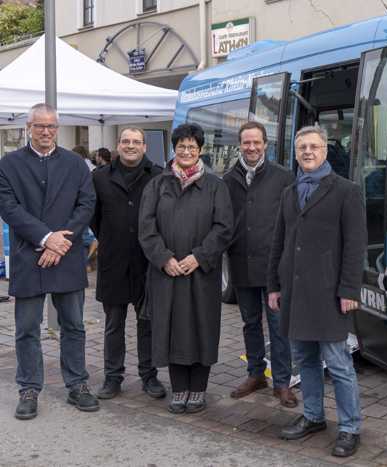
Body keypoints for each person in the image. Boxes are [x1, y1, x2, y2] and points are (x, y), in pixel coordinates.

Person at [268, 126, 367, 457]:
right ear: (295, 153)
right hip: (295, 293)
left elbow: (355, 245)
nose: (307, 152)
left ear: (325, 150)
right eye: (301, 148)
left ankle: (350, 427)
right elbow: (278, 243)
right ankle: (313, 417)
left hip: (329, 293)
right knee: (306, 361)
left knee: (338, 364)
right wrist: (274, 286)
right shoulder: (289, 192)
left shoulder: (346, 191)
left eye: (313, 146)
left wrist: (349, 289)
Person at [0, 103, 98, 420]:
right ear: (29, 127)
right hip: (29, 257)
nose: (45, 131)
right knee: (27, 329)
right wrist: (46, 238)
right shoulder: (9, 164)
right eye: (39, 126)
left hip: (67, 257)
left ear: (57, 128)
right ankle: (29, 388)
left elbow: (86, 204)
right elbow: (9, 208)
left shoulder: (75, 164)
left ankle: (77, 385)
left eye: (51, 126)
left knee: (74, 326)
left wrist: (61, 243)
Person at [139, 123, 234, 414]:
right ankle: (179, 389)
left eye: (192, 146)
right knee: (171, 329)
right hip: (167, 273)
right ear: (174, 149)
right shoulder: (158, 184)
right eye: (181, 146)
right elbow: (146, 226)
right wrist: (164, 258)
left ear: (200, 150)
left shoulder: (216, 186)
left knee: (201, 328)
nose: (186, 151)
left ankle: (198, 390)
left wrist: (199, 256)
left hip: (200, 273)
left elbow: (224, 227)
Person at [223, 122, 296, 408]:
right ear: (239, 145)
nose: (251, 147)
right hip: (241, 264)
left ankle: (282, 382)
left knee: (278, 326)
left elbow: (292, 221)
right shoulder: (229, 179)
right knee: (250, 323)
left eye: (256, 142)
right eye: (246, 143)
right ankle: (256, 374)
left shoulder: (283, 177)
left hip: (273, 268)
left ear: (266, 144)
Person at [91, 127, 165, 400]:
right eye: (125, 141)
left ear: (145, 146)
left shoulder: (158, 176)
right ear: (118, 145)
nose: (130, 145)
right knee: (113, 325)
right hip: (114, 262)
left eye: (136, 141)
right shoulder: (100, 177)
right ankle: (113, 377)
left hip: (147, 263)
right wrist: (112, 239)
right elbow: (94, 218)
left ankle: (149, 376)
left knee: (148, 324)